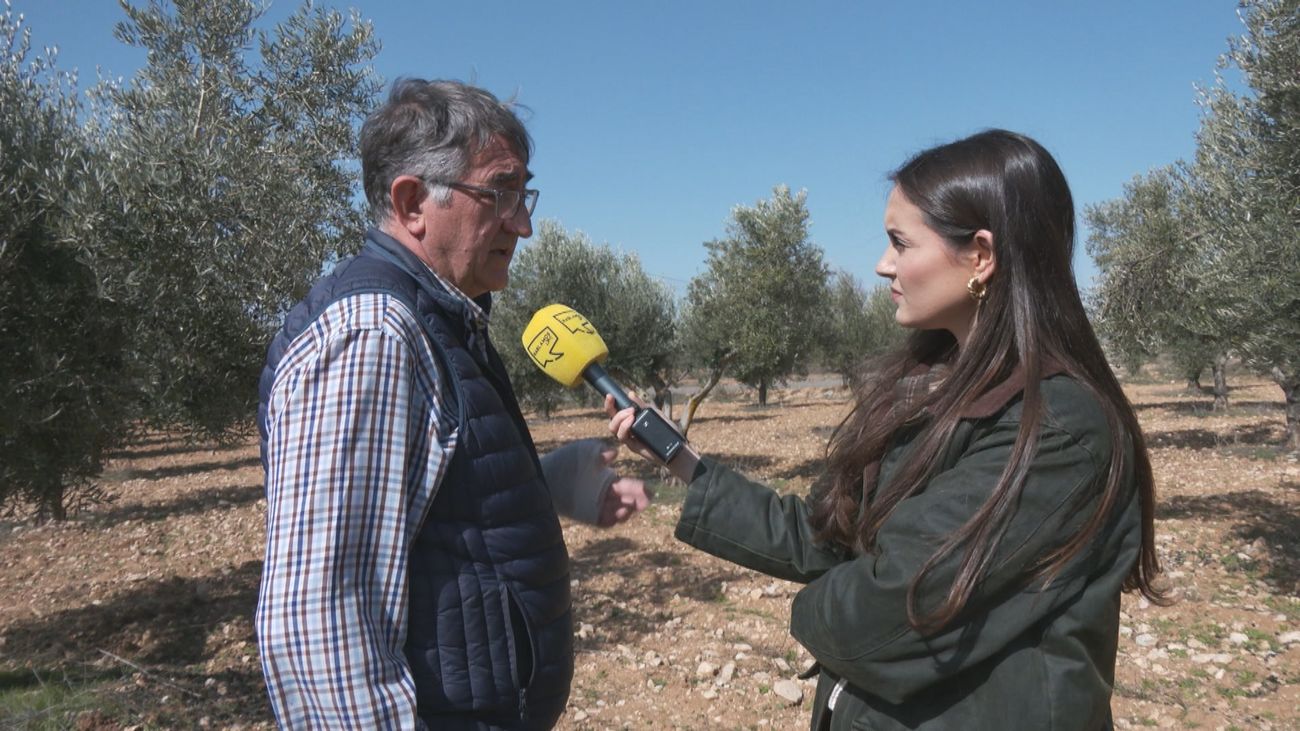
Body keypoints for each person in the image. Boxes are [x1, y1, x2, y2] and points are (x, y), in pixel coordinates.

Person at [607, 129, 1164, 730]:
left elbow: (892, 609)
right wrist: (680, 459)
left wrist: (812, 608)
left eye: (900, 242)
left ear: (980, 256)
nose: (882, 265)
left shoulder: (1057, 429)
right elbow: (829, 537)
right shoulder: (936, 386)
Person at [256, 79, 650, 730]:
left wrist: (549, 481)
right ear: (413, 202)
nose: (522, 223)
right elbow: (319, 621)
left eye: (524, 194)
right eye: (500, 192)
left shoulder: (441, 319)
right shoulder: (373, 335)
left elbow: (438, 506)